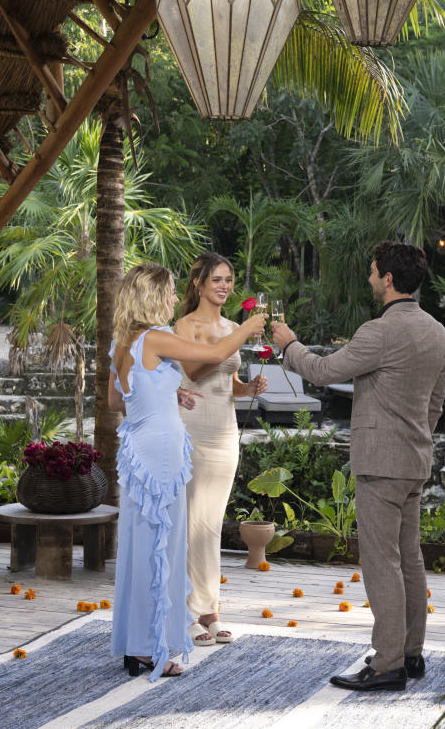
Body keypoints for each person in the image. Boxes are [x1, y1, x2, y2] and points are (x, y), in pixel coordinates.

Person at [272, 241, 445, 692]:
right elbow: (435, 403)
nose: (370, 278)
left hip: (381, 463)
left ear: (388, 279)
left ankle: (387, 663)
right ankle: (410, 654)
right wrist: (417, 440)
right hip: (414, 459)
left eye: (373, 272)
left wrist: (289, 345)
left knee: (380, 561)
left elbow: (324, 371)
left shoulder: (380, 331)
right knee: (408, 557)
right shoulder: (435, 331)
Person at [108, 263, 267, 680]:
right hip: (162, 453)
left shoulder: (123, 342)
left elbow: (115, 399)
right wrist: (249, 326)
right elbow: (215, 355)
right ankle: (151, 649)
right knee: (163, 547)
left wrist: (165, 390)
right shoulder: (156, 337)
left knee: (142, 545)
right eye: (169, 292)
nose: (174, 299)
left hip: (137, 450)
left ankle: (136, 645)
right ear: (151, 296)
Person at [174, 253, 268, 647]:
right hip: (192, 429)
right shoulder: (186, 325)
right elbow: (194, 371)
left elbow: (227, 379)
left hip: (225, 432)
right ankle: (185, 611)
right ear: (198, 283)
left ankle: (210, 608)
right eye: (217, 279)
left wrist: (247, 389)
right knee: (190, 522)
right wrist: (243, 333)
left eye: (228, 279)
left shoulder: (231, 326)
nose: (225, 286)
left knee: (211, 524)